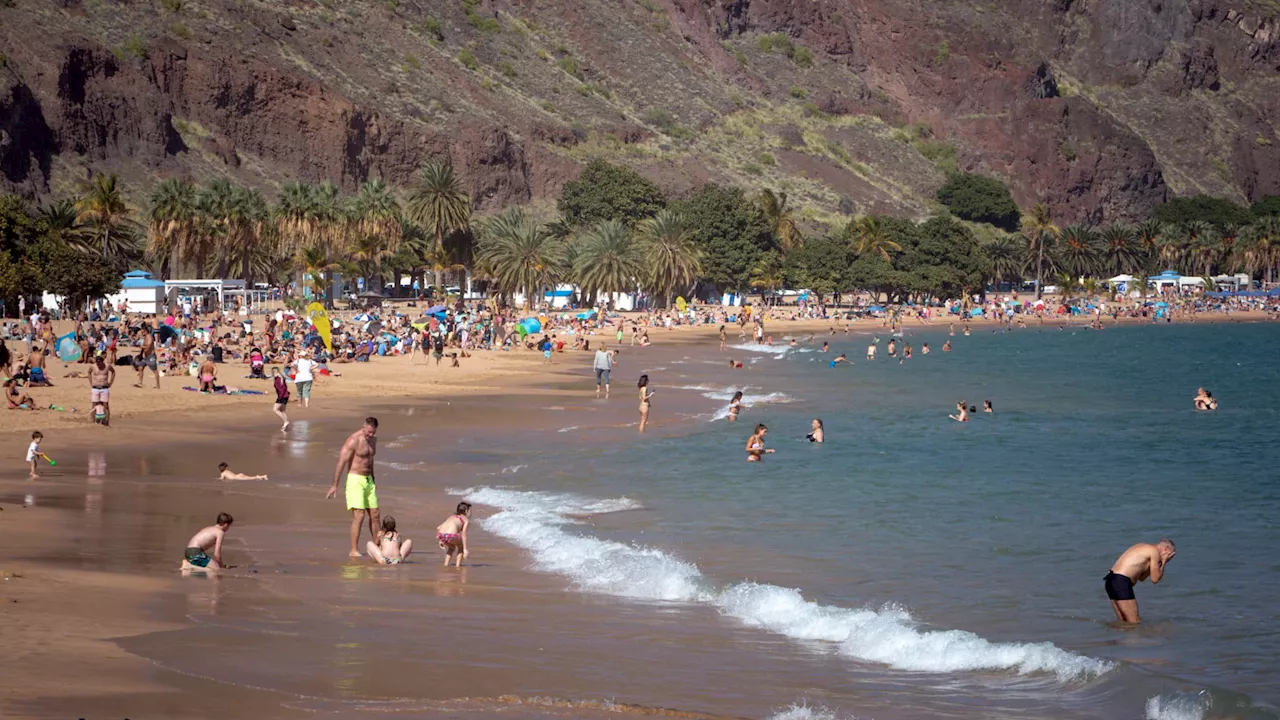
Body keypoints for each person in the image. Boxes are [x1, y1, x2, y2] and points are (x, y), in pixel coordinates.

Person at [326, 417, 380, 558]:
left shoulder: (373, 440)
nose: (371, 435)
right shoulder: (353, 440)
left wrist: (373, 477)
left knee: (375, 514)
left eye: (373, 432)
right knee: (359, 515)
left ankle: (377, 546)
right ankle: (354, 550)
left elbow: (370, 459)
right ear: (363, 427)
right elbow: (342, 462)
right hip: (355, 479)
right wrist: (334, 485)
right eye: (368, 432)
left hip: (368, 481)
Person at [1105, 539, 1176, 624]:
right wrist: (1164, 562)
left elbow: (1141, 578)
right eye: (1170, 556)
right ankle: (1136, 637)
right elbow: (1155, 579)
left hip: (1111, 579)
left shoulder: (1144, 547)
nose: (1169, 558)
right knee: (1134, 623)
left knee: (1123, 622)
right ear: (1166, 550)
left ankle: (1120, 637)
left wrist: (1158, 564)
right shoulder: (1154, 551)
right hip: (1121, 581)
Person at [436, 502, 471, 567]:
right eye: (470, 511)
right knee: (461, 546)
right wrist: (465, 549)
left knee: (451, 547)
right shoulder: (466, 520)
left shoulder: (452, 516)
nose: (470, 513)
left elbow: (439, 527)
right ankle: (458, 566)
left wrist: (441, 540)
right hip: (451, 535)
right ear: (466, 511)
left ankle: (446, 564)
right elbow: (463, 534)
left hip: (441, 534)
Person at [85, 352, 116, 426]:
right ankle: (94, 421)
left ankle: (106, 421)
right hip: (95, 387)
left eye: (100, 363)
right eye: (97, 363)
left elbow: (113, 372)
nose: (98, 365)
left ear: (102, 362)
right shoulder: (93, 366)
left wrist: (111, 382)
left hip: (104, 388)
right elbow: (89, 372)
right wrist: (91, 382)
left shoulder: (107, 366)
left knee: (105, 405)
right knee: (94, 405)